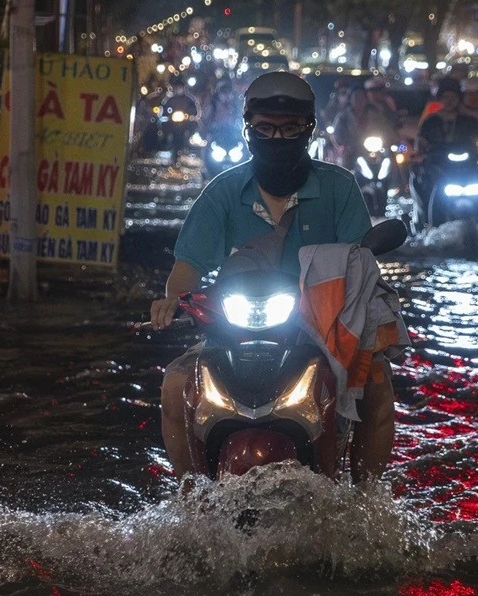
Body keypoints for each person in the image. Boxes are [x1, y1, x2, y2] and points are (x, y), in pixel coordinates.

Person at [149, 71, 395, 484]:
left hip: (321, 329)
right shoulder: (222, 192)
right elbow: (187, 266)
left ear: (308, 130)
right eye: (265, 127)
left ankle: (366, 497)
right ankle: (191, 497)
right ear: (248, 130)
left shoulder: (339, 188)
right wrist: (174, 297)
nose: (277, 138)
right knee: (175, 385)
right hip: (233, 330)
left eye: (289, 128)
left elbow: (359, 260)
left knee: (378, 385)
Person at [410, 77, 478, 211]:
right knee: (420, 180)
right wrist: (420, 154)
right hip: (438, 166)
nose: (449, 101)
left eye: (453, 97)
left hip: (467, 166)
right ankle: (425, 213)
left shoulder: (470, 121)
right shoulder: (431, 121)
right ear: (440, 99)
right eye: (445, 97)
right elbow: (421, 142)